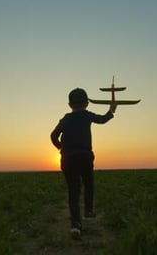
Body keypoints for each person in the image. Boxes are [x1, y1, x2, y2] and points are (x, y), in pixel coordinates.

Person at [50, 88, 117, 240]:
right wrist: (112, 110)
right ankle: (88, 210)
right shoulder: (87, 115)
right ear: (87, 103)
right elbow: (102, 119)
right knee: (89, 184)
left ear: (69, 104)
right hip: (85, 157)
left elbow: (53, 136)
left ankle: (75, 225)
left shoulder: (66, 118)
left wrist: (61, 147)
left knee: (73, 191)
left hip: (68, 159)